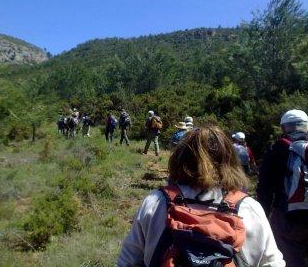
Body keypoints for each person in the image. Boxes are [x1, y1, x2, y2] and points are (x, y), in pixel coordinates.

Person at [118, 126, 285, 267]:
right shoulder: (250, 208)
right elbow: (273, 262)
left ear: (179, 159)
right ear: (230, 161)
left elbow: (127, 261)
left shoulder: (155, 202)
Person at [257, 109, 308, 266]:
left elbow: (265, 186)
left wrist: (263, 214)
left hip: (288, 215)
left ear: (284, 127)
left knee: (291, 256)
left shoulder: (278, 148)